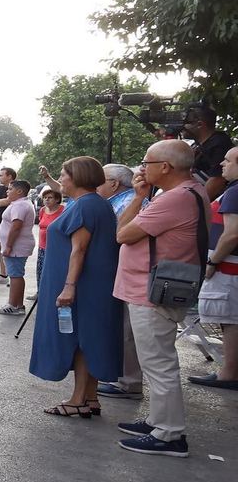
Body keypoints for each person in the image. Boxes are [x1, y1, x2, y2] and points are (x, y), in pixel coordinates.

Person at [112, 139, 211, 456]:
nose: (142, 169)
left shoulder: (174, 198)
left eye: (146, 163)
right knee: (156, 360)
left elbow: (123, 233)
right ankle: (158, 420)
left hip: (151, 291)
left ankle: (169, 434)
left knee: (158, 363)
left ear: (165, 167)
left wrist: (139, 197)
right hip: (158, 287)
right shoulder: (192, 191)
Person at [28, 157, 122, 418]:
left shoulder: (85, 205)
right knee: (88, 338)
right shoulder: (94, 203)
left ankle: (78, 399)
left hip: (82, 285)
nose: (61, 178)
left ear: (78, 177)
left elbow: (79, 249)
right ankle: (90, 397)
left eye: (63, 174)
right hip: (91, 283)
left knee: (80, 340)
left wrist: (69, 286)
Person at [94, 163, 147, 400]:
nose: (96, 185)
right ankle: (122, 378)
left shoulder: (129, 202)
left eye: (101, 180)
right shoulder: (120, 201)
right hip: (121, 272)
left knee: (127, 329)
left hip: (128, 272)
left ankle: (128, 382)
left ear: (114, 183)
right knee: (122, 327)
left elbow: (118, 236)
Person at [191, 146, 238, 390]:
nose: (222, 164)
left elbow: (232, 234)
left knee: (230, 320)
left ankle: (229, 374)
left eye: (228, 160)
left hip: (228, 268)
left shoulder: (234, 192)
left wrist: (212, 262)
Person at [0, 180, 35, 315]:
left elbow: (16, 226)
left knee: (15, 275)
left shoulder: (20, 205)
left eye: (10, 189)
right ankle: (18, 305)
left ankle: (13, 305)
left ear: (19, 191)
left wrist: (8, 246)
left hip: (17, 247)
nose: (7, 191)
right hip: (17, 246)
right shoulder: (19, 203)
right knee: (16, 274)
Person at [185, 104, 232, 199]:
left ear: (199, 124)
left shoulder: (219, 144)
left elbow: (218, 179)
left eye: (186, 122)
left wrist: (196, 204)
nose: (182, 126)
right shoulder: (200, 144)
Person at [36, 186, 66, 288]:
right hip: (42, 247)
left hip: (56, 247)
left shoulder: (64, 210)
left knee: (54, 272)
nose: (47, 200)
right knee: (40, 271)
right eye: (45, 198)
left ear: (57, 199)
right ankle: (40, 292)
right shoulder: (43, 210)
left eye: (50, 197)